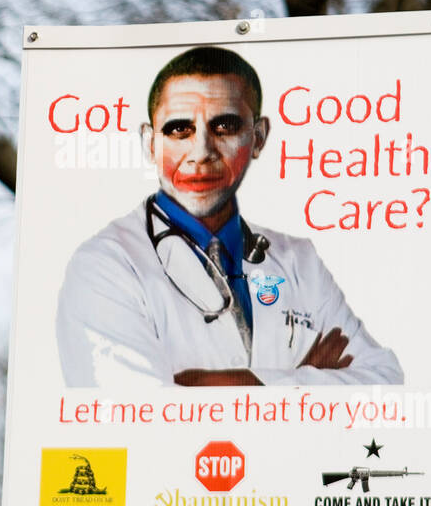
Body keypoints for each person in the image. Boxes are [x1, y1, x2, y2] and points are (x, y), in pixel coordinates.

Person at [56, 45, 403, 389]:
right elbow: (133, 416)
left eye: (224, 126)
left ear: (258, 137)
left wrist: (242, 382)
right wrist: (305, 381)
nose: (202, 152)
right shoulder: (105, 264)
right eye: (180, 129)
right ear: (150, 143)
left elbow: (384, 383)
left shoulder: (299, 261)